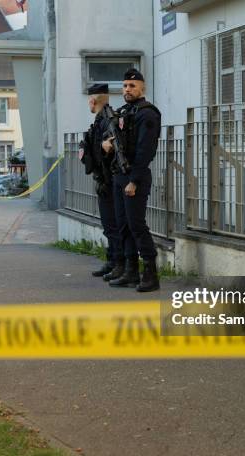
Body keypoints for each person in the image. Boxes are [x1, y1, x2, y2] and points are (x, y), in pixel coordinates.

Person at [102, 68, 161, 292]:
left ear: (142, 88)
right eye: (125, 85)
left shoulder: (148, 113)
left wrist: (134, 180)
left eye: (132, 86)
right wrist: (105, 144)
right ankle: (130, 271)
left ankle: (150, 273)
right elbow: (114, 139)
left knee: (137, 225)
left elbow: (146, 150)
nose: (127, 89)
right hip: (120, 175)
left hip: (135, 176)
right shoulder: (124, 112)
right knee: (122, 225)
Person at [79, 83, 124, 279]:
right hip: (104, 180)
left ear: (92, 100)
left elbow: (108, 151)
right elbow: (90, 147)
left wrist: (96, 148)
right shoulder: (100, 121)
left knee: (114, 226)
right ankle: (112, 261)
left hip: (110, 180)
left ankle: (119, 264)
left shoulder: (108, 121)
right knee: (109, 225)